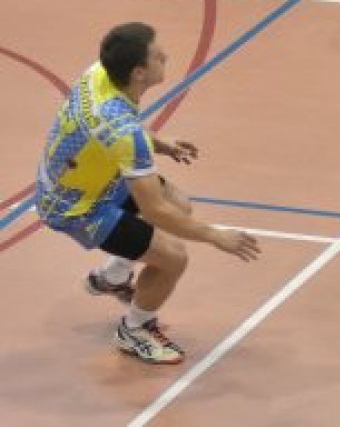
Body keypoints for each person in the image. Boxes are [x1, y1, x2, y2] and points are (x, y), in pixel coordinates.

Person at [34, 22, 261, 364]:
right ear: (139, 72)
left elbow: (111, 125)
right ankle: (135, 330)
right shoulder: (124, 132)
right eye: (158, 55)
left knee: (180, 205)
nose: (165, 56)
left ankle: (113, 277)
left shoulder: (101, 74)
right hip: (76, 208)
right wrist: (215, 236)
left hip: (85, 178)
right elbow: (154, 210)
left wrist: (157, 141)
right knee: (174, 257)